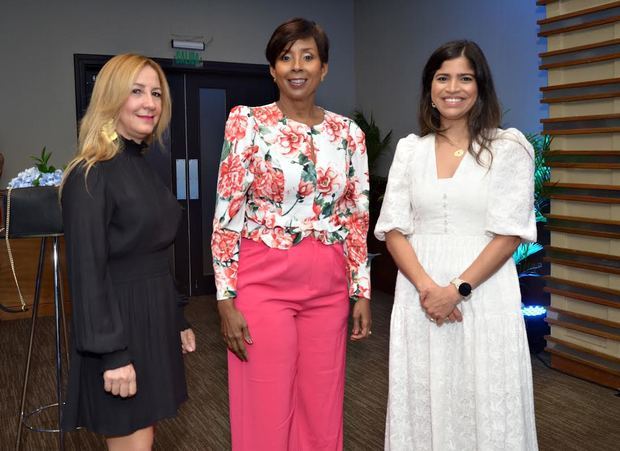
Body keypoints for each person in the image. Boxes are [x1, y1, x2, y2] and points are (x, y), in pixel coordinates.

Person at [211, 17, 371, 451]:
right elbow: (228, 213)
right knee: (266, 401)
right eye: (286, 57)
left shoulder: (348, 134)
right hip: (263, 279)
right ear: (272, 70)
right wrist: (225, 299)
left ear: (324, 68)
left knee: (322, 404)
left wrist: (362, 290)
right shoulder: (248, 123)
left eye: (307, 56)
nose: (296, 66)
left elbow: (356, 216)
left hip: (329, 283)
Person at [375, 40, 538, 450]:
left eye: (465, 78)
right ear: (429, 87)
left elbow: (509, 233)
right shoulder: (411, 151)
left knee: (484, 392)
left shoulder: (508, 148)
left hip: (484, 295)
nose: (453, 87)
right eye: (442, 77)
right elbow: (394, 228)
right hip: (419, 295)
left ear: (480, 86)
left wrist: (457, 290)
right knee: (425, 394)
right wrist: (429, 289)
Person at [61, 53, 195, 451]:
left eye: (156, 93)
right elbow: (87, 272)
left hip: (152, 315)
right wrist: (112, 353)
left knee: (145, 436)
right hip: (118, 325)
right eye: (136, 91)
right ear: (111, 97)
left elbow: (150, 252)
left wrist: (176, 316)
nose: (149, 103)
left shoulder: (140, 164)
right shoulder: (91, 173)